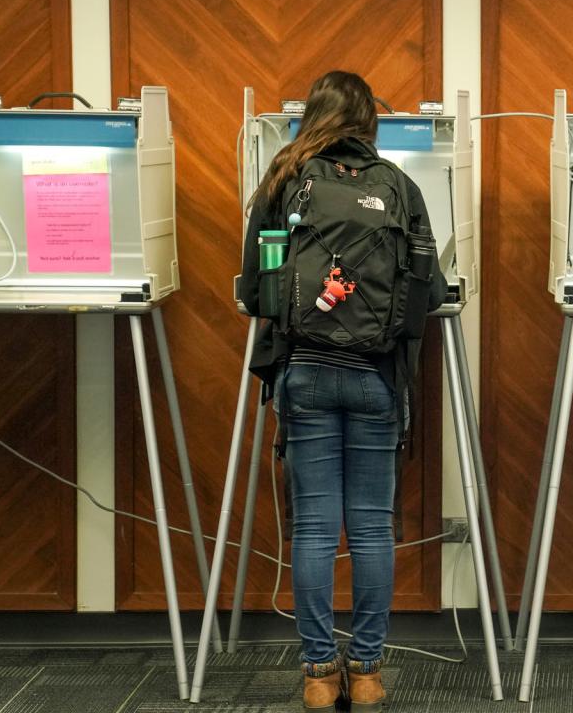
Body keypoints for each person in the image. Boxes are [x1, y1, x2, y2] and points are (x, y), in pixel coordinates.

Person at [239, 71, 448, 713]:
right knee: (371, 530)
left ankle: (317, 673)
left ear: (312, 117)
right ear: (368, 124)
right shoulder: (399, 187)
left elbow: (255, 291)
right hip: (376, 379)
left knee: (314, 529)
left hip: (304, 372)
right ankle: (366, 673)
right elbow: (431, 292)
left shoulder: (282, 180)